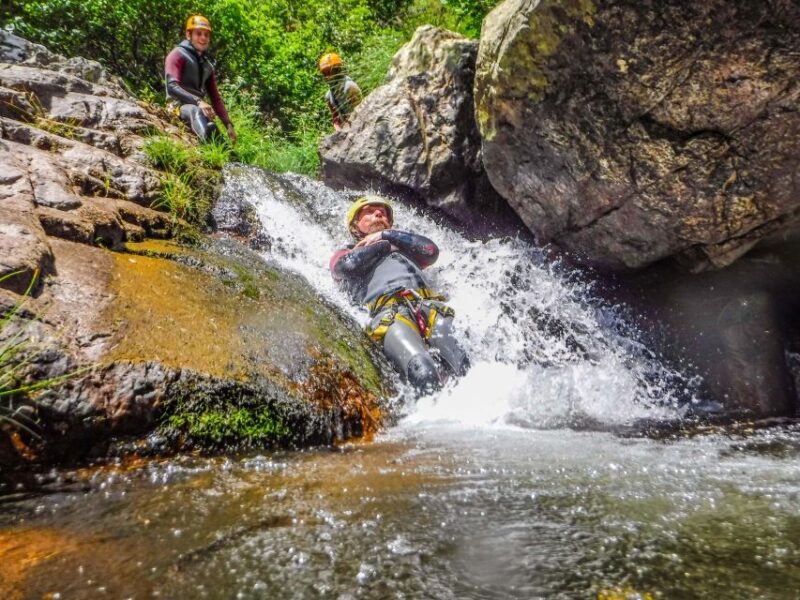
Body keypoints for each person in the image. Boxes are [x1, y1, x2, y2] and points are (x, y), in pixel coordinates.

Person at [330, 195, 469, 392]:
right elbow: (348, 267)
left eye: (384, 212)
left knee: (462, 364)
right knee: (422, 370)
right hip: (390, 314)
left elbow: (430, 251)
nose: (379, 213)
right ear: (355, 226)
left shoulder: (406, 248)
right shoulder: (346, 253)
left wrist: (387, 236)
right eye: (369, 211)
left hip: (429, 307)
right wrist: (384, 244)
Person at [164, 15, 236, 144]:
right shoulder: (177, 54)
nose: (203, 38)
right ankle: (207, 142)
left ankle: (227, 154)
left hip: (198, 109)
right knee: (195, 111)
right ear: (188, 35)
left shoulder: (207, 66)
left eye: (206, 35)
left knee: (208, 123)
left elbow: (215, 98)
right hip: (178, 106)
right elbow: (172, 86)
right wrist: (198, 101)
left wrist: (228, 124)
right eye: (198, 34)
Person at [318, 52, 362, 131]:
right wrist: (338, 127)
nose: (327, 76)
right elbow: (335, 117)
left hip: (359, 125)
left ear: (337, 69)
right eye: (325, 73)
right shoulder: (329, 95)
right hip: (345, 130)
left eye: (329, 71)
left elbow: (361, 111)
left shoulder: (349, 87)